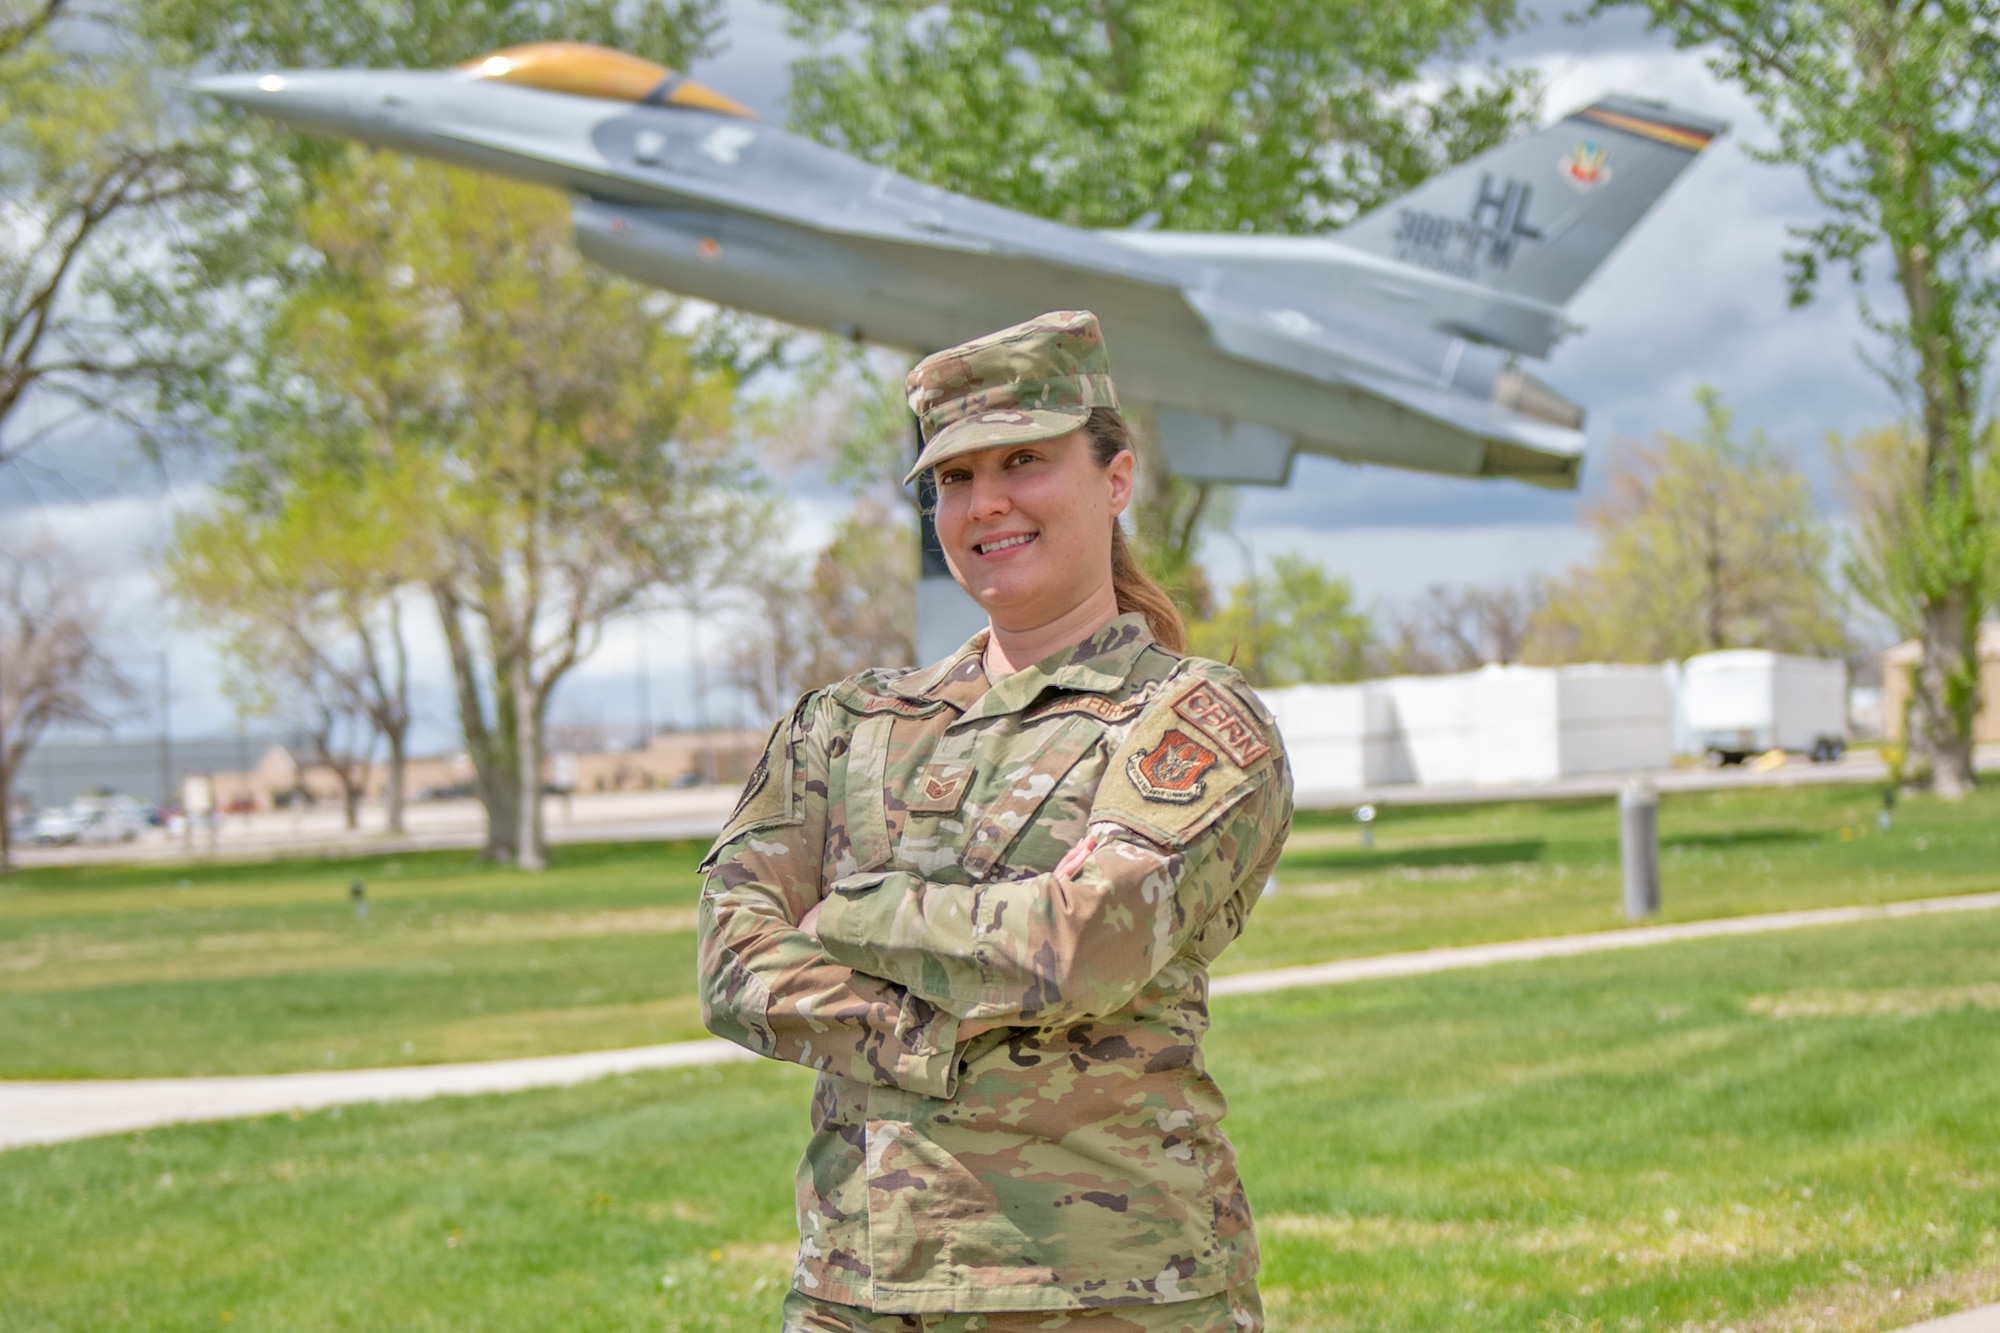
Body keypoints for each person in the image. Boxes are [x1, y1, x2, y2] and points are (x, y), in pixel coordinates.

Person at [697, 310, 1293, 1333]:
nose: (986, 502)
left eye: (1023, 460)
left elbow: (1083, 944)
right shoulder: (843, 726)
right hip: (857, 1290)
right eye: (954, 478)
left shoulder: (1189, 719)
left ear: (1114, 479)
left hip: (1105, 1293)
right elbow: (731, 956)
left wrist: (849, 914)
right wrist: (936, 1025)